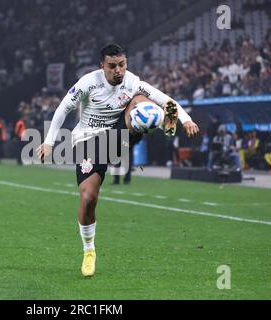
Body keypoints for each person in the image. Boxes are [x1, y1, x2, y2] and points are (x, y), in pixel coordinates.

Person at [36, 44, 199, 277]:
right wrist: (49, 142)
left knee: (142, 98)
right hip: (89, 140)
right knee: (88, 198)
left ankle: (161, 124)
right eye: (112, 66)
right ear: (102, 66)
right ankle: (89, 250)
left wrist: (186, 120)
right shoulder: (88, 83)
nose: (118, 70)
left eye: (122, 64)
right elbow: (63, 108)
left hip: (120, 135)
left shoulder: (132, 81)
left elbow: (167, 100)